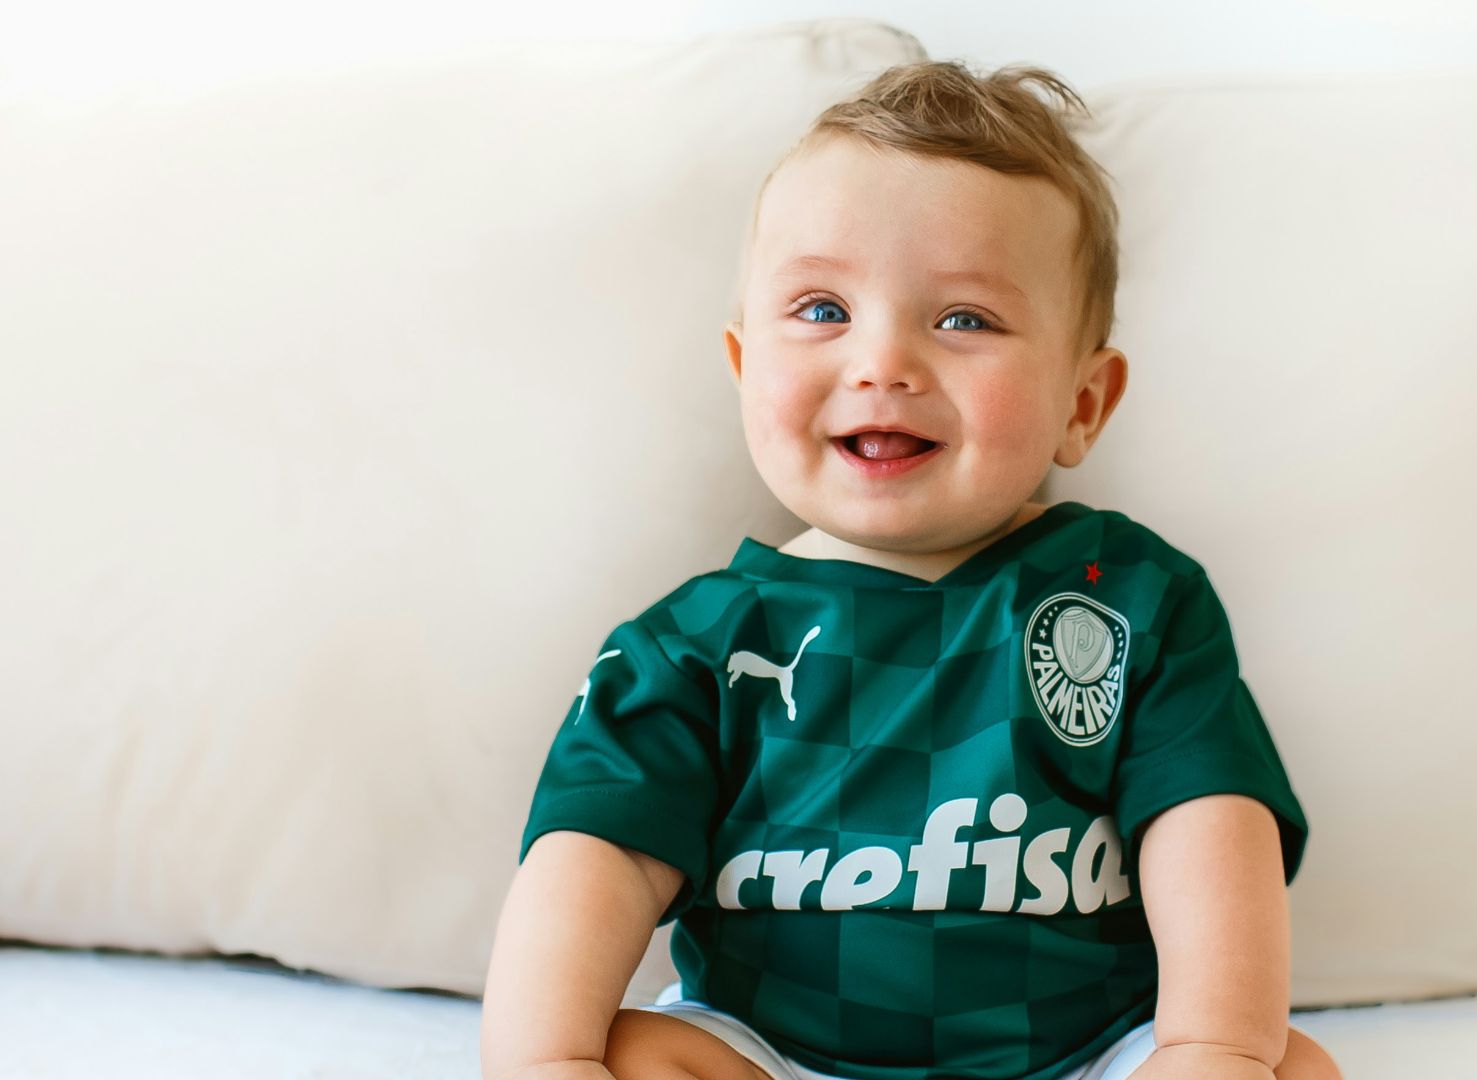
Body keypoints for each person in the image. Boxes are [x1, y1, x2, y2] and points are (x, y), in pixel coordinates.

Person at [482, 59, 1343, 1080]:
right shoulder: (693, 646)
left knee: (1287, 1066)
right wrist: (549, 1061)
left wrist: (1214, 1045)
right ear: (745, 365)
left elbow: (1208, 819)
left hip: (1082, 1056)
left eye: (964, 320)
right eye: (820, 309)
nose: (882, 362)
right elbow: (597, 851)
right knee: (635, 1054)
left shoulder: (1132, 600)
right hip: (772, 1053)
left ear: (1082, 403)